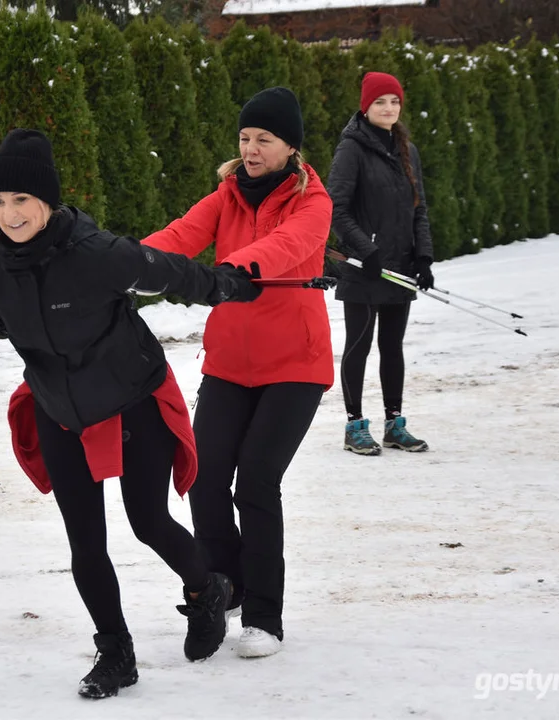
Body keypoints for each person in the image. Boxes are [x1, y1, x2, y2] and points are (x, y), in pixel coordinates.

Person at [0, 129, 262, 699]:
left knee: (147, 522)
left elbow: (171, 273)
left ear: (48, 202)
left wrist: (227, 285)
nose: (10, 214)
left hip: (131, 399)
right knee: (85, 540)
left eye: (22, 200)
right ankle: (116, 652)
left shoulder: (95, 252)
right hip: (62, 410)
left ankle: (209, 592)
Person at [141, 87, 334, 659]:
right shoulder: (226, 196)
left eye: (264, 140)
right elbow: (179, 236)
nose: (251, 150)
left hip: (294, 366)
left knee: (255, 482)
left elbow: (285, 246)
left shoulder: (312, 202)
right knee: (204, 477)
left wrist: (227, 272)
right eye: (245, 138)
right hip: (229, 364)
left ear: (290, 146)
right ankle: (225, 583)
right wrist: (120, 264)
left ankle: (264, 618)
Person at [326, 71, 434, 456]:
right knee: (359, 345)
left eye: (394, 102)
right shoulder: (351, 149)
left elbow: (418, 208)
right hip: (362, 266)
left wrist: (423, 255)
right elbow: (335, 209)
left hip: (399, 267)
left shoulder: (407, 150)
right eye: (379, 102)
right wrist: (364, 250)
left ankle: (394, 423)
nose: (388, 108)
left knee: (393, 346)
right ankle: (354, 425)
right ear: (365, 107)